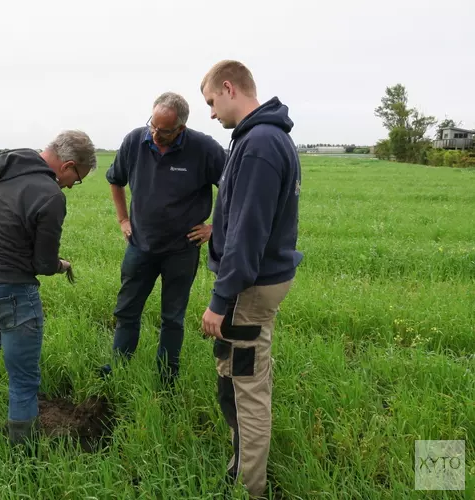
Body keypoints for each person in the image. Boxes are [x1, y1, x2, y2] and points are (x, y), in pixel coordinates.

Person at [199, 60, 302, 498]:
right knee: (245, 371)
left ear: (229, 88)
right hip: (260, 280)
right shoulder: (266, 136)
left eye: (210, 102)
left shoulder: (259, 143)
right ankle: (242, 463)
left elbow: (247, 233)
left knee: (246, 386)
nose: (210, 114)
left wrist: (220, 300)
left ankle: (247, 488)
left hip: (249, 285)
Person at [0, 130, 96, 447]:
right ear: (68, 165)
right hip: (11, 294)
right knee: (23, 381)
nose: (72, 186)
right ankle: (23, 457)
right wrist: (62, 265)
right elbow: (44, 264)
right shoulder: (50, 195)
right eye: (78, 178)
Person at [100, 92, 228, 389]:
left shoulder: (204, 149)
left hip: (181, 250)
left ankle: (167, 378)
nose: (155, 135)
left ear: (180, 128)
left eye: (165, 131)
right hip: (140, 246)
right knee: (127, 309)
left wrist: (214, 229)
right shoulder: (135, 141)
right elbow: (115, 179)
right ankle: (119, 366)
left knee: (173, 316)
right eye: (153, 126)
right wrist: (122, 220)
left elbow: (234, 188)